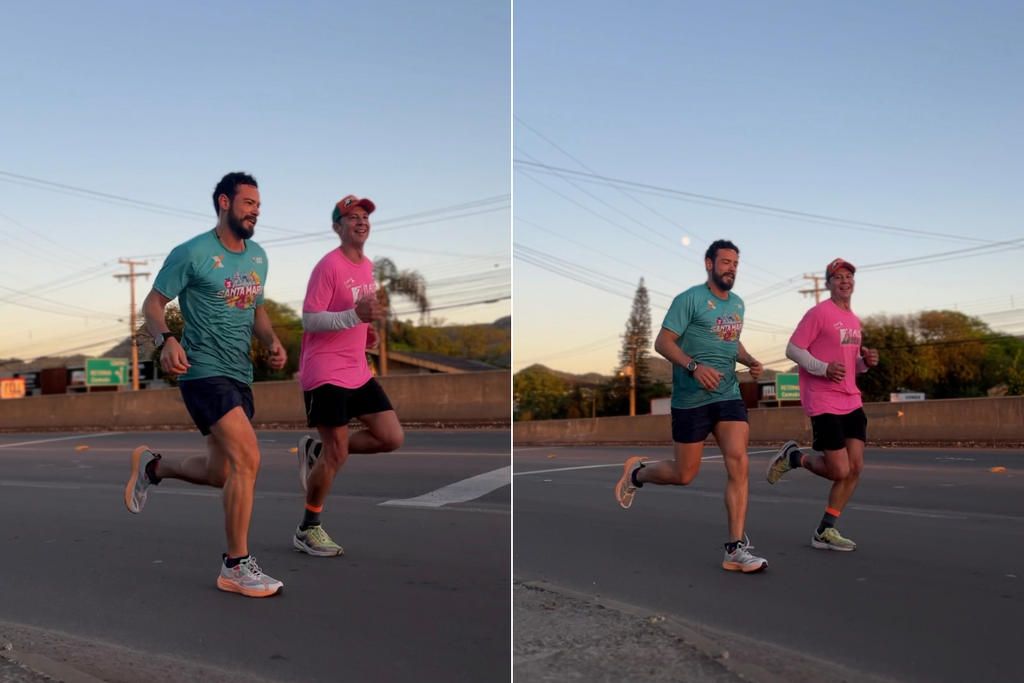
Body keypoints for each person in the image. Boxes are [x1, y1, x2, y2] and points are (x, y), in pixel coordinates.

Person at [124, 172, 287, 597]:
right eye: (248, 202)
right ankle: (236, 565)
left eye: (258, 205)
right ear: (224, 202)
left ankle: (153, 468)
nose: (255, 211)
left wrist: (271, 341)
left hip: (239, 373)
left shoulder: (258, 258)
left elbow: (255, 308)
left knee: (221, 472)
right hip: (202, 371)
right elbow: (153, 304)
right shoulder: (193, 252)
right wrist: (166, 340)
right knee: (249, 457)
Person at [614, 239, 768, 573]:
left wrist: (750, 360)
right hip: (691, 399)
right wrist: (694, 367)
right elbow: (662, 342)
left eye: (735, 264)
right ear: (709, 264)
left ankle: (735, 549)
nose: (731, 269)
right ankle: (638, 473)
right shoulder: (689, 299)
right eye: (725, 262)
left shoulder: (737, 304)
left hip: (727, 394)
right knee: (684, 474)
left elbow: (731, 341)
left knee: (739, 461)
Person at [292, 194, 405, 557]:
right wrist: (355, 316)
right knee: (337, 454)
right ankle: (308, 528)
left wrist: (366, 330)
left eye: (364, 217)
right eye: (352, 217)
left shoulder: (367, 266)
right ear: (337, 227)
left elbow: (356, 313)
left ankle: (318, 451)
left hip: (357, 369)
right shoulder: (328, 266)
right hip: (325, 371)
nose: (361, 222)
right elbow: (310, 319)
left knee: (391, 437)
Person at [765, 258, 879, 551]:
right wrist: (823, 368)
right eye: (838, 277)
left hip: (851, 398)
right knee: (839, 470)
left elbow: (849, 364)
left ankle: (825, 531)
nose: (844, 281)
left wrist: (864, 363)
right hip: (824, 399)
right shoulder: (819, 313)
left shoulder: (854, 320)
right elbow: (793, 349)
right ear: (829, 284)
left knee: (855, 468)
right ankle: (794, 458)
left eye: (848, 276)